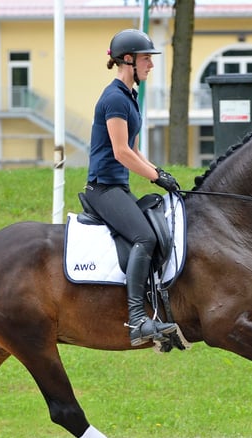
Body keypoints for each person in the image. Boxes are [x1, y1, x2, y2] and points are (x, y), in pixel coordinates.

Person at [82, 29, 181, 347]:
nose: (151, 64)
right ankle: (137, 320)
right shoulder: (113, 98)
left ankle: (155, 312)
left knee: (153, 229)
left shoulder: (129, 97)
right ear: (128, 60)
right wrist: (154, 177)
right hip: (102, 189)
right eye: (146, 58)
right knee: (145, 236)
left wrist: (159, 172)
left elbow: (134, 151)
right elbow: (121, 151)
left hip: (118, 188)